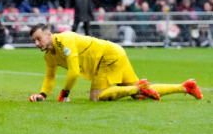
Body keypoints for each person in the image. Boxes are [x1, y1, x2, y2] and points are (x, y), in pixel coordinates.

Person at [28, 23, 203, 102]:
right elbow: (50, 77)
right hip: (114, 52)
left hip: (108, 55)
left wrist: (64, 93)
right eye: (34, 41)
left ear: (48, 34)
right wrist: (43, 95)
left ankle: (138, 87)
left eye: (39, 39)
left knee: (96, 97)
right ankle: (184, 87)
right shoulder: (49, 56)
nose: (37, 43)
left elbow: (73, 71)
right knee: (137, 96)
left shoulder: (63, 41)